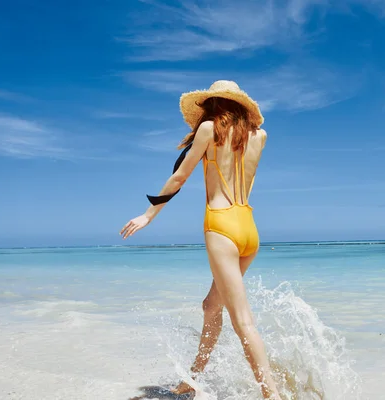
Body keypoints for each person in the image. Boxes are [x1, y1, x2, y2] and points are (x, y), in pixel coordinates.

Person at [120, 80, 282, 400]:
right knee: (211, 306)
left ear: (211, 104)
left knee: (243, 322)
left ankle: (271, 395)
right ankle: (192, 381)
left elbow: (180, 176)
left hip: (221, 227)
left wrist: (147, 215)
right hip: (249, 230)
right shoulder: (259, 136)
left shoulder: (208, 129)